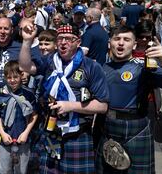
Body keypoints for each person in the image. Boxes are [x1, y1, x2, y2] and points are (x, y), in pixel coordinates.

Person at [19, 23, 109, 173]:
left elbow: (102, 105)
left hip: (77, 133)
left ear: (78, 42)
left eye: (68, 39)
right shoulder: (49, 61)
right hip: (49, 129)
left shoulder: (91, 67)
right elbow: (25, 67)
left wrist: (70, 106)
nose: (63, 42)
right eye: (60, 38)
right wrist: (27, 41)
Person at [96, 25, 162, 173]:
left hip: (137, 128)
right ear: (110, 43)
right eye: (117, 39)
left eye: (126, 39)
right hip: (106, 126)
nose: (121, 43)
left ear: (134, 44)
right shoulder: (101, 68)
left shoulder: (144, 67)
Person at [0, 17, 42, 174]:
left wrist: (26, 72)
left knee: (17, 134)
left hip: (16, 96)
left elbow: (32, 64)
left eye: (6, 28)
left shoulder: (19, 47)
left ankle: (17, 166)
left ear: (12, 30)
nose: (2, 32)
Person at [0, 61, 38, 174]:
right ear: (5, 77)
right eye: (9, 77)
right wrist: (2, 133)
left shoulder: (28, 94)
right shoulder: (0, 94)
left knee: (21, 170)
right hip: (5, 139)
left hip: (23, 139)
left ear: (21, 76)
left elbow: (34, 114)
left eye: (15, 77)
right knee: (5, 169)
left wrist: (26, 132)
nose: (12, 80)